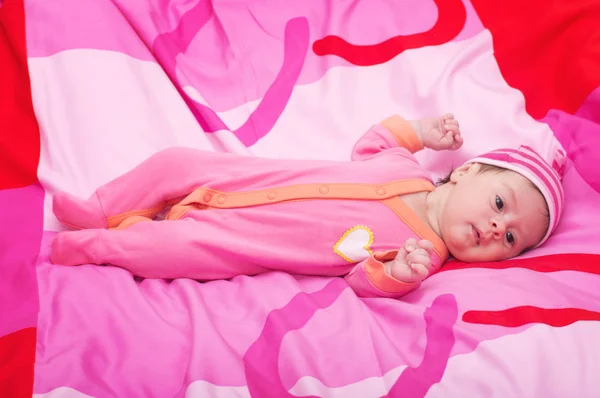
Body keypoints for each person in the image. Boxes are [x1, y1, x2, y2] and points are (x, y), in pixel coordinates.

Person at [49, 114, 566, 298]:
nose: (497, 227)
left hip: (242, 244)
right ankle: (100, 207)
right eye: (501, 204)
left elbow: (362, 280)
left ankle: (97, 246)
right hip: (243, 178)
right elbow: (371, 144)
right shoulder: (405, 169)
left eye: (512, 239)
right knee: (175, 161)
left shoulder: (422, 253)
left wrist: (399, 276)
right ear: (469, 170)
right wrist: (420, 132)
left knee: (173, 249)